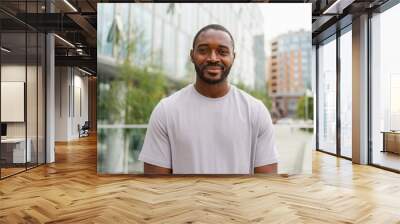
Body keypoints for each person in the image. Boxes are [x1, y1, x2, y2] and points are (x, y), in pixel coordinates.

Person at [138, 24, 278, 174]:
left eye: (222, 52)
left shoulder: (256, 111)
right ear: (192, 55)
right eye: (203, 51)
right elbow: (155, 187)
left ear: (233, 57)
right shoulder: (166, 111)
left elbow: (266, 185)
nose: (212, 58)